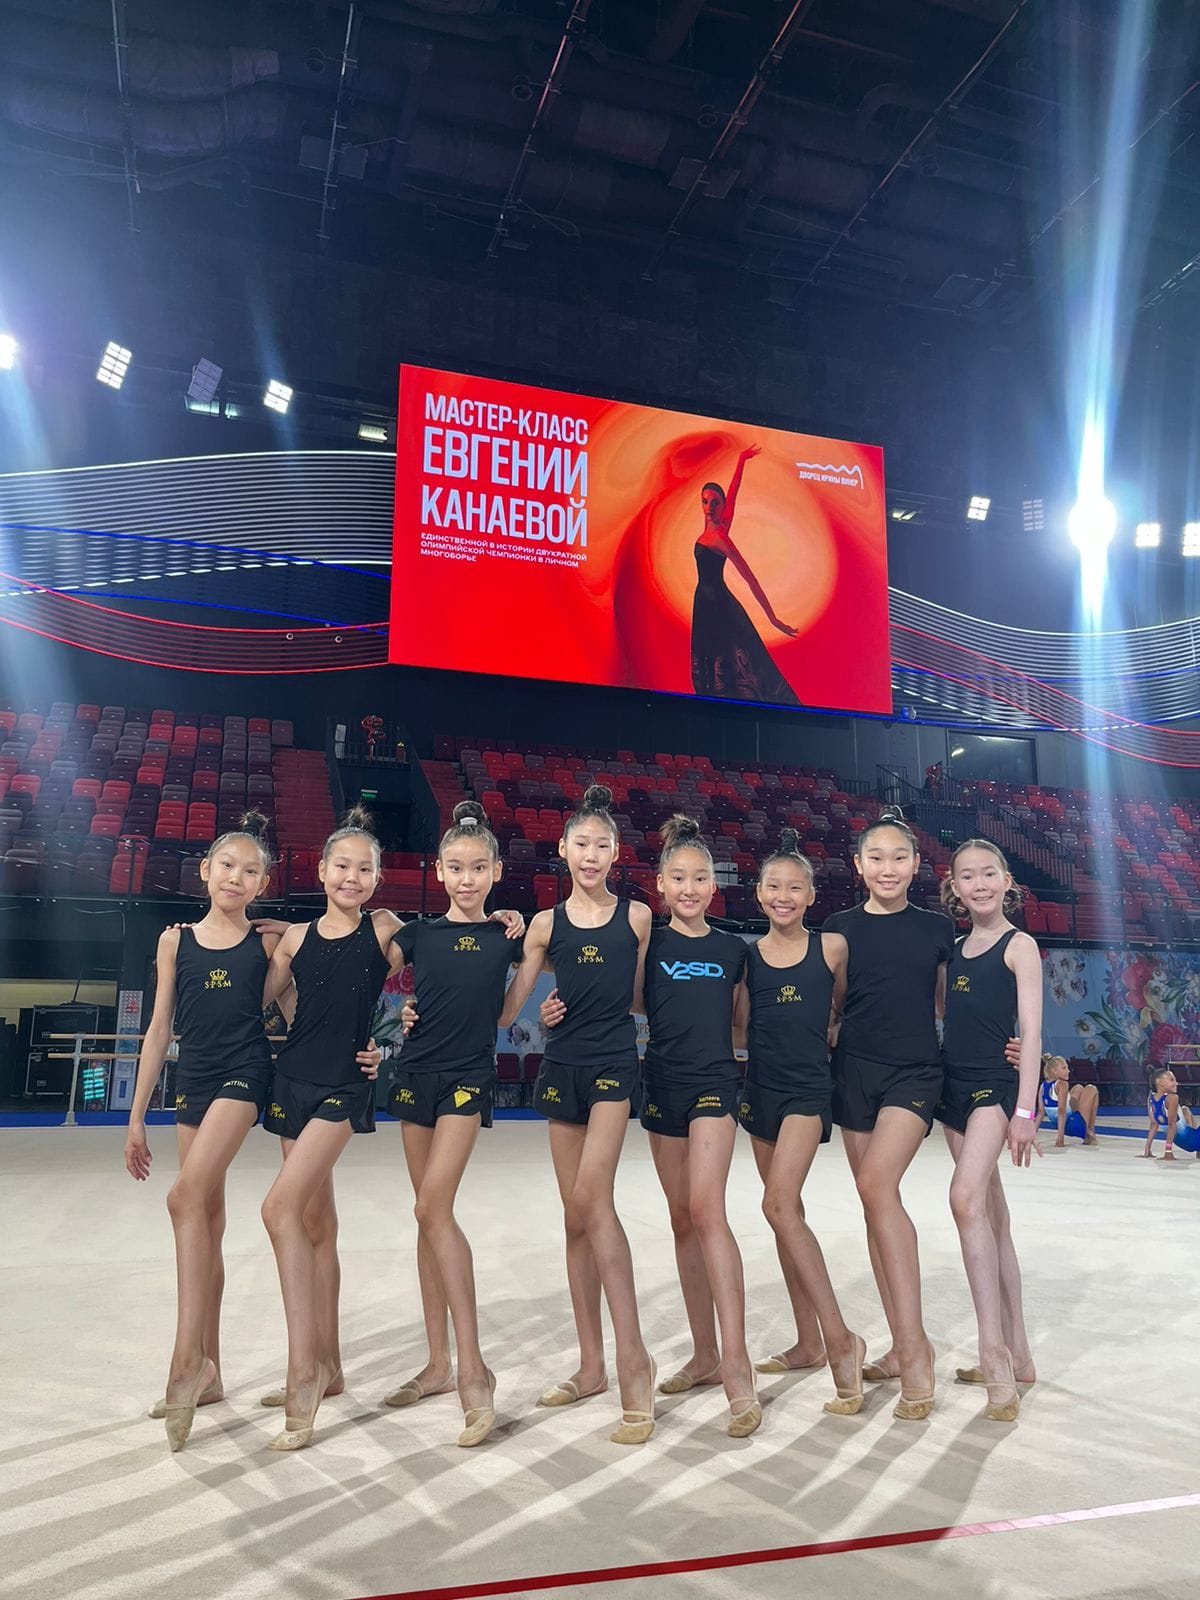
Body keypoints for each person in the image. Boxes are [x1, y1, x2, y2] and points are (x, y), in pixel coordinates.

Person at [124, 814, 288, 1449]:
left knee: (183, 1197)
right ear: (205, 871)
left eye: (250, 871)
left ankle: (184, 1362)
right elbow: (159, 1028)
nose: (236, 877)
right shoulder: (176, 942)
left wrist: (289, 941)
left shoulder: (267, 946)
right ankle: (211, 1371)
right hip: (192, 1081)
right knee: (204, 1223)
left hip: (246, 1073)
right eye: (227, 865)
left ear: (263, 884)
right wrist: (137, 1117)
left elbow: (303, 1002)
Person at [502, 784, 657, 1446]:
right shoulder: (544, 925)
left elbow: (645, 997)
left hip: (615, 1065)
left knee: (593, 1198)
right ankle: (591, 1365)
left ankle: (635, 1361)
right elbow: (507, 1010)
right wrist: (498, 940)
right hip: (561, 1066)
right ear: (562, 849)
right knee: (574, 1217)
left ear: (616, 853)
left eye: (602, 845)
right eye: (581, 844)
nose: (590, 855)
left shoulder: (638, 918)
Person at [257, 806, 405, 1451]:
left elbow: (441, 970)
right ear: (320, 870)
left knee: (279, 1209)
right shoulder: (293, 939)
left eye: (364, 869)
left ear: (377, 878)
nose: (352, 877)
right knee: (317, 1224)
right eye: (341, 865)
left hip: (345, 1087)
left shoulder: (385, 928)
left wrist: (390, 1043)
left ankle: (303, 1375)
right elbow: (256, 999)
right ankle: (333, 1365)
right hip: (291, 1081)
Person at [382, 801, 526, 1446]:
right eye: (456, 867)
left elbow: (508, 1013)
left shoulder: (508, 935)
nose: (467, 878)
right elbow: (355, 952)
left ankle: (474, 1369)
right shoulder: (417, 935)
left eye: (478, 867)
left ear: (496, 871)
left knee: (432, 1207)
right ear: (438, 871)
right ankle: (437, 1363)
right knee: (427, 1216)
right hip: (415, 1072)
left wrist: (521, 930)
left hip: (468, 1076)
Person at [824, 806, 953, 1420]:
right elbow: (835, 1003)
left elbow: (950, 1005)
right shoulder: (839, 928)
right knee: (873, 1205)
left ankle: (916, 1347)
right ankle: (901, 1346)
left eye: (899, 857)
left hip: (915, 1072)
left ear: (917, 864)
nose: (887, 867)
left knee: (878, 1186)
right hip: (855, 1072)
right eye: (875, 857)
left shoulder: (937, 929)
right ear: (858, 865)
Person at [736, 831, 866, 1416]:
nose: (783, 896)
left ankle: (841, 1340)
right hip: (760, 1092)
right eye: (774, 886)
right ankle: (807, 1341)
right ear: (759, 893)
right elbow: (740, 1027)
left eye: (795, 887)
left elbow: (848, 1006)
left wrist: (833, 1031)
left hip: (808, 1093)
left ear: (812, 895)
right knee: (787, 1215)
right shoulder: (748, 957)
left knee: (778, 1205)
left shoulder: (832, 948)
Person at [638, 814, 760, 1437]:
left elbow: (743, 1024)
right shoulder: (649, 945)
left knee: (708, 1211)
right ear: (660, 884)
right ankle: (705, 1353)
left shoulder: (733, 951)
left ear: (715, 886)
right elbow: (622, 996)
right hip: (661, 1084)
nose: (689, 888)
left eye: (700, 878)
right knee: (682, 1219)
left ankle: (738, 1364)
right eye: (678, 878)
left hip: (715, 1083)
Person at [934, 840, 1042, 1422]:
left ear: (1006, 881)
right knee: (992, 1219)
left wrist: (1025, 1109)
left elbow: (1034, 1031)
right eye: (967, 876)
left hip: (994, 1090)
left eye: (988, 874)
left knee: (963, 1198)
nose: (979, 884)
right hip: (952, 1088)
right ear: (954, 887)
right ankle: (1020, 1353)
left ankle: (992, 1352)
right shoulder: (952, 951)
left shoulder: (1019, 945)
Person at [690, 442, 799, 705]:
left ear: (721, 505)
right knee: (714, 659)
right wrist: (741, 460)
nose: (709, 507)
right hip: (703, 602)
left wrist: (772, 618)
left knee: (729, 661)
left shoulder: (721, 538)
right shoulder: (719, 524)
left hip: (717, 605)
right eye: (705, 501)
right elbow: (734, 491)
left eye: (715, 503)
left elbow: (750, 578)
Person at [1039, 1054, 1099, 1146]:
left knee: (1078, 1088)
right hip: (1074, 1126)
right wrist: (1060, 1138)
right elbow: (1061, 1111)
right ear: (1054, 1071)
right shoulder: (1062, 1084)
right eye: (1064, 1068)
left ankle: (1087, 1131)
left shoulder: (1043, 1086)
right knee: (1092, 1089)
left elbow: (1040, 1112)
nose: (1068, 1071)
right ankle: (1089, 1131)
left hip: (1064, 1126)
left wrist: (1032, 1133)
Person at [1142, 1067, 1200, 1159]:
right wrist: (1168, 1152)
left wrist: (1147, 1148)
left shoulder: (1151, 1099)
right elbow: (1172, 1125)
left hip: (1185, 1144)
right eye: (1172, 1080)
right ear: (1161, 1082)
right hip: (1194, 1140)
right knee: (1184, 1111)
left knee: (1185, 1109)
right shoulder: (1172, 1097)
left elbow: (1154, 1124)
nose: (1176, 1083)